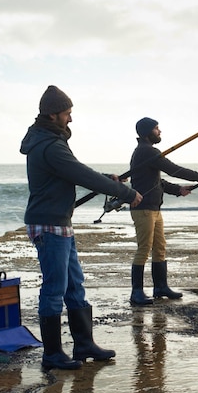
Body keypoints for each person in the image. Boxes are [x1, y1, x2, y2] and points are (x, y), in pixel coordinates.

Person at [20, 85, 143, 370]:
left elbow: (72, 170)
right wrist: (125, 193)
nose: (70, 119)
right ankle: (52, 354)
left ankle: (84, 344)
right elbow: (78, 173)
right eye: (67, 113)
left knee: (75, 284)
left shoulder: (49, 140)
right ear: (52, 114)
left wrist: (105, 177)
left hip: (59, 222)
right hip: (49, 224)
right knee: (54, 288)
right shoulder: (49, 144)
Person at [128, 117, 198, 306]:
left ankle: (160, 287)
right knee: (144, 249)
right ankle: (136, 293)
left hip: (153, 209)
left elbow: (156, 182)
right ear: (147, 132)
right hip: (143, 209)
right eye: (156, 129)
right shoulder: (146, 151)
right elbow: (173, 170)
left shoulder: (145, 152)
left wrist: (178, 190)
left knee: (160, 247)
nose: (160, 132)